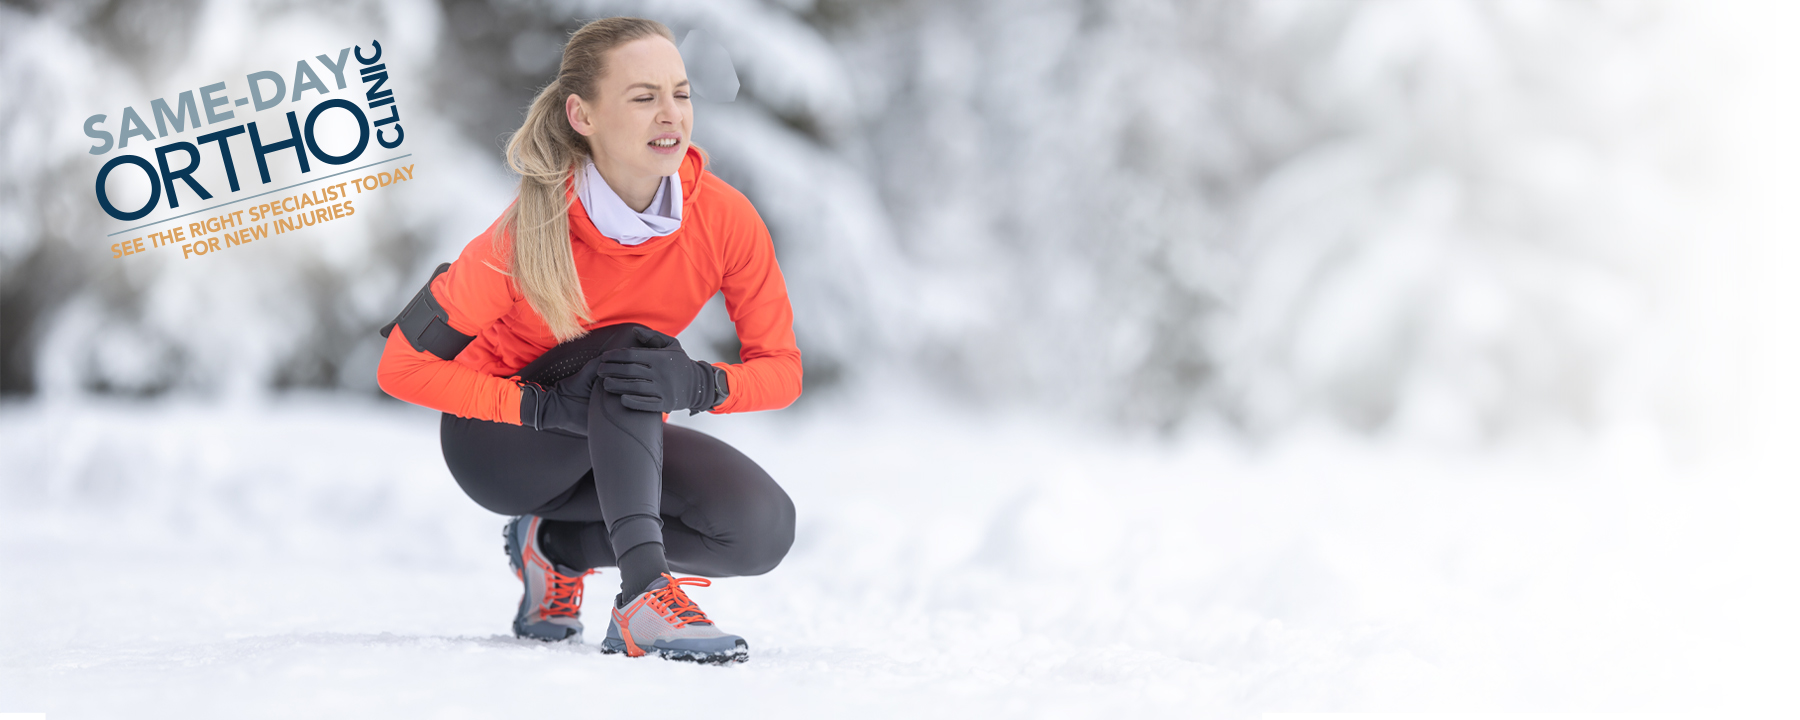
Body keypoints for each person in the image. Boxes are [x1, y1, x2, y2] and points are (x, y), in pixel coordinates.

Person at [375, 17, 800, 664]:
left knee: (759, 528)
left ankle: (554, 549)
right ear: (583, 115)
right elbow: (399, 368)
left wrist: (705, 385)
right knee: (632, 346)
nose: (670, 114)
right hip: (501, 445)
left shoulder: (725, 219)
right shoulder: (526, 234)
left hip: (609, 437)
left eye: (680, 93)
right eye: (642, 96)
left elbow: (782, 370)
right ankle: (643, 598)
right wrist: (538, 407)